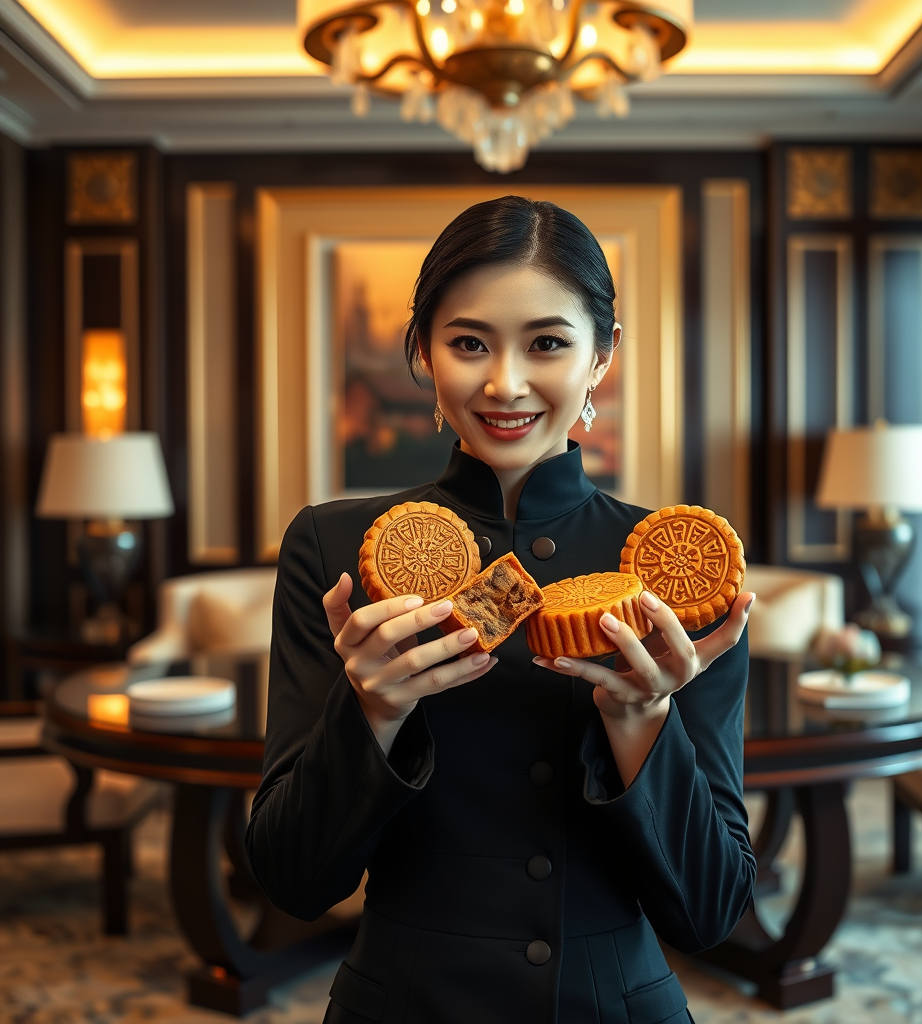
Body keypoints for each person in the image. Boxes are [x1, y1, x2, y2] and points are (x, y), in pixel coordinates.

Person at [245, 196, 756, 1024]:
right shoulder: (331, 547)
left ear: (602, 356)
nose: (504, 382)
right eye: (468, 342)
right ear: (423, 351)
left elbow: (709, 911)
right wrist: (370, 711)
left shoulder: (672, 573)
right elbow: (294, 883)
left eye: (548, 343)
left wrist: (643, 722)